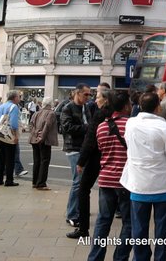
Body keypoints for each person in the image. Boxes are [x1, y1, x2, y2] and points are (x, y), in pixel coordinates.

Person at [120, 92, 166, 261]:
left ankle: (140, 258)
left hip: (138, 186)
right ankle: (160, 258)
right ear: (158, 107)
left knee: (139, 230)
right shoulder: (165, 128)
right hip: (162, 187)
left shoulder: (131, 124)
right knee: (161, 231)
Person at [87, 91, 132, 261]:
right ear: (126, 105)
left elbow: (101, 150)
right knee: (128, 222)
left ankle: (95, 257)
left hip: (105, 179)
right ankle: (120, 258)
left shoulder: (101, 126)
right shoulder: (130, 125)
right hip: (125, 181)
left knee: (103, 221)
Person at [67, 85, 112, 239]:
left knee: (83, 190)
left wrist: (81, 162)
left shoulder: (99, 115)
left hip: (95, 157)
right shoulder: (117, 114)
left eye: (97, 97)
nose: (94, 99)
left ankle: (83, 229)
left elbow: (90, 140)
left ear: (105, 100)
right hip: (113, 158)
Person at [61, 83, 92, 227]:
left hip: (84, 148)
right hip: (73, 148)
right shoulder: (68, 108)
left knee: (83, 183)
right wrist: (87, 128)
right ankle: (72, 214)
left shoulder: (86, 107)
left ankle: (79, 210)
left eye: (90, 94)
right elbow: (66, 127)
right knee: (78, 182)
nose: (88, 97)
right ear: (77, 93)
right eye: (86, 94)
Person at [0, 90, 21, 186]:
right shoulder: (14, 107)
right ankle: (9, 180)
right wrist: (15, 136)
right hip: (9, 135)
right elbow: (14, 124)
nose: (19, 98)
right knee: (10, 158)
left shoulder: (1, 106)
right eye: (18, 97)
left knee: (1, 157)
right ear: (14, 98)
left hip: (1, 134)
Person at [28, 97, 58, 190]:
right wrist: (41, 137)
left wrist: (35, 134)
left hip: (34, 139)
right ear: (50, 104)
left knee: (36, 160)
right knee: (44, 161)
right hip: (44, 140)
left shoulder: (36, 113)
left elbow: (31, 125)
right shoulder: (51, 113)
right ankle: (41, 183)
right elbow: (47, 126)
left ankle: (35, 181)